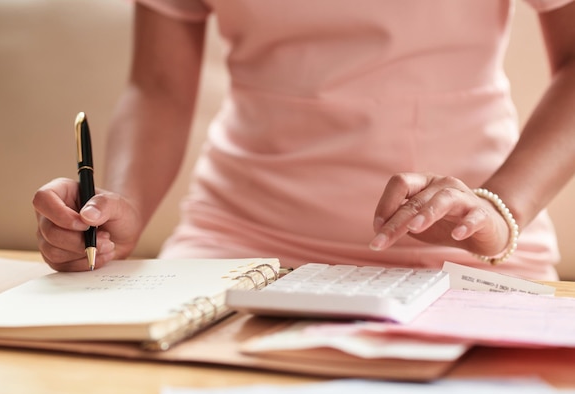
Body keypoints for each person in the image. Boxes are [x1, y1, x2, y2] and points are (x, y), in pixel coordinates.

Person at [33, 0, 575, 280]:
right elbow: (159, 88)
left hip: (464, 246)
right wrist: (117, 207)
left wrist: (497, 208)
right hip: (235, 243)